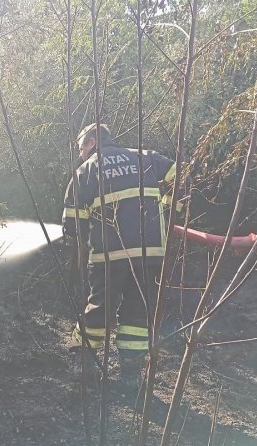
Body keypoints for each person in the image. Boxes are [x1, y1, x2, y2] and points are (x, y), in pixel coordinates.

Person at [62, 123, 177, 396]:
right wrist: (171, 210)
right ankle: (130, 378)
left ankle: (84, 366)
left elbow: (73, 223)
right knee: (138, 312)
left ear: (91, 142)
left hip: (109, 256)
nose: (80, 154)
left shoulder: (86, 171)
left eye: (81, 148)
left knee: (100, 308)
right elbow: (182, 174)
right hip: (150, 253)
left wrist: (77, 240)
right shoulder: (144, 157)